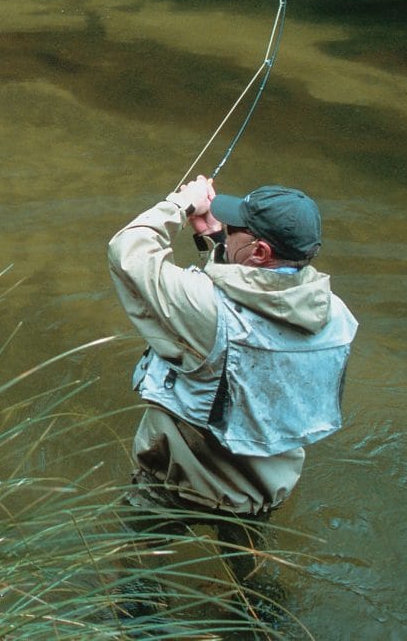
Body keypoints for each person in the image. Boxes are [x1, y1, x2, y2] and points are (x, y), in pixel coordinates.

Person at [105, 175, 358, 598]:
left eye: (238, 227)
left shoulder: (205, 311)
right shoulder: (337, 317)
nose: (228, 225)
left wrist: (179, 205)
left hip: (177, 485)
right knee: (253, 585)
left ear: (260, 251)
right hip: (260, 493)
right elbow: (254, 302)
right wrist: (220, 241)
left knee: (137, 570)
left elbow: (128, 251)